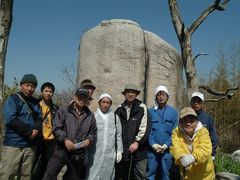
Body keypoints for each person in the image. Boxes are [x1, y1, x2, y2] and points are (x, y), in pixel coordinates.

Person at [42, 88, 97, 180]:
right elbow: (56, 128)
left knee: (73, 177)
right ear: (75, 97)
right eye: (79, 97)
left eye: (84, 97)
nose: (81, 99)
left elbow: (93, 131)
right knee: (49, 174)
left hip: (78, 152)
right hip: (61, 149)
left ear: (87, 99)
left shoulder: (90, 115)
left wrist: (89, 139)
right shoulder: (64, 111)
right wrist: (65, 140)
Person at [0, 74, 42, 180]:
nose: (29, 88)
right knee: (8, 173)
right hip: (13, 144)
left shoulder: (35, 102)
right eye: (27, 85)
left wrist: (36, 130)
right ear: (21, 85)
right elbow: (11, 119)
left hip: (30, 146)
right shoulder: (13, 99)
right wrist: (29, 132)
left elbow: (39, 118)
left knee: (26, 175)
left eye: (32, 86)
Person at [115, 83, 151, 180]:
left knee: (141, 176)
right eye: (128, 92)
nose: (130, 94)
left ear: (136, 94)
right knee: (122, 176)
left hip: (139, 152)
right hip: (123, 152)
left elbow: (145, 127)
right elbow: (115, 129)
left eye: (133, 92)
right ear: (124, 94)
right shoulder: (119, 109)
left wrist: (137, 142)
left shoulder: (142, 107)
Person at [170, 107, 215, 180]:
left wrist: (193, 157)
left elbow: (205, 149)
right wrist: (182, 158)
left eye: (191, 120)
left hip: (205, 175)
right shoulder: (176, 132)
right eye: (185, 120)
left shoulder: (203, 131)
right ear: (180, 122)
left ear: (196, 122)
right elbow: (175, 148)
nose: (188, 123)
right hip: (187, 175)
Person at [87, 93, 123, 180]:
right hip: (94, 153)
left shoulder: (115, 118)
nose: (105, 105)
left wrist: (119, 151)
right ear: (99, 103)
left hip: (109, 155)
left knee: (107, 176)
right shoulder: (93, 117)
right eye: (103, 102)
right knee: (92, 175)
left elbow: (118, 135)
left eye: (108, 102)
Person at [147, 85, 178, 180]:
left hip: (167, 150)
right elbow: (148, 130)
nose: (161, 97)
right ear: (156, 97)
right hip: (152, 150)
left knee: (166, 174)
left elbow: (175, 131)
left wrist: (167, 144)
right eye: (159, 94)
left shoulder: (173, 112)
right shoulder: (150, 112)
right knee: (150, 174)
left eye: (163, 94)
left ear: (167, 96)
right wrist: (153, 144)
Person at [32, 82, 59, 180]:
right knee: (31, 165)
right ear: (42, 92)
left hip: (50, 142)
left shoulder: (55, 108)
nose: (48, 93)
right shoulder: (34, 106)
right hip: (37, 140)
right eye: (46, 91)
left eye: (50, 91)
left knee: (47, 167)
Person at [190, 92, 218, 159]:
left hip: (204, 154)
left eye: (198, 101)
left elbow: (213, 137)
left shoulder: (208, 118)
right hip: (189, 154)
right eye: (194, 101)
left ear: (202, 103)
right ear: (191, 102)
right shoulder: (185, 117)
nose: (196, 103)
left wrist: (212, 153)